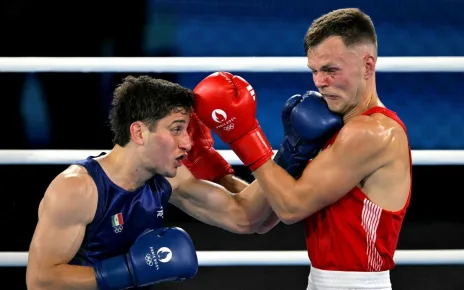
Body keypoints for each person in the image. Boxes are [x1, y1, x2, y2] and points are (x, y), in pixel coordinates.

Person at [192, 8, 411, 290]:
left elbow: (290, 207)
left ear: (368, 66)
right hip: (321, 279)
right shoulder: (336, 127)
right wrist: (210, 165)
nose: (320, 82)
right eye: (315, 71)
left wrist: (244, 136)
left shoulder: (372, 132)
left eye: (331, 70)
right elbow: (265, 215)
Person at [25, 75, 276, 290]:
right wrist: (129, 271)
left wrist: (288, 155)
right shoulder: (78, 189)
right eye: (177, 129)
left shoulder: (168, 178)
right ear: (139, 132)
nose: (188, 143)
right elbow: (40, 280)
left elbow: (245, 216)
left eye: (188, 130)